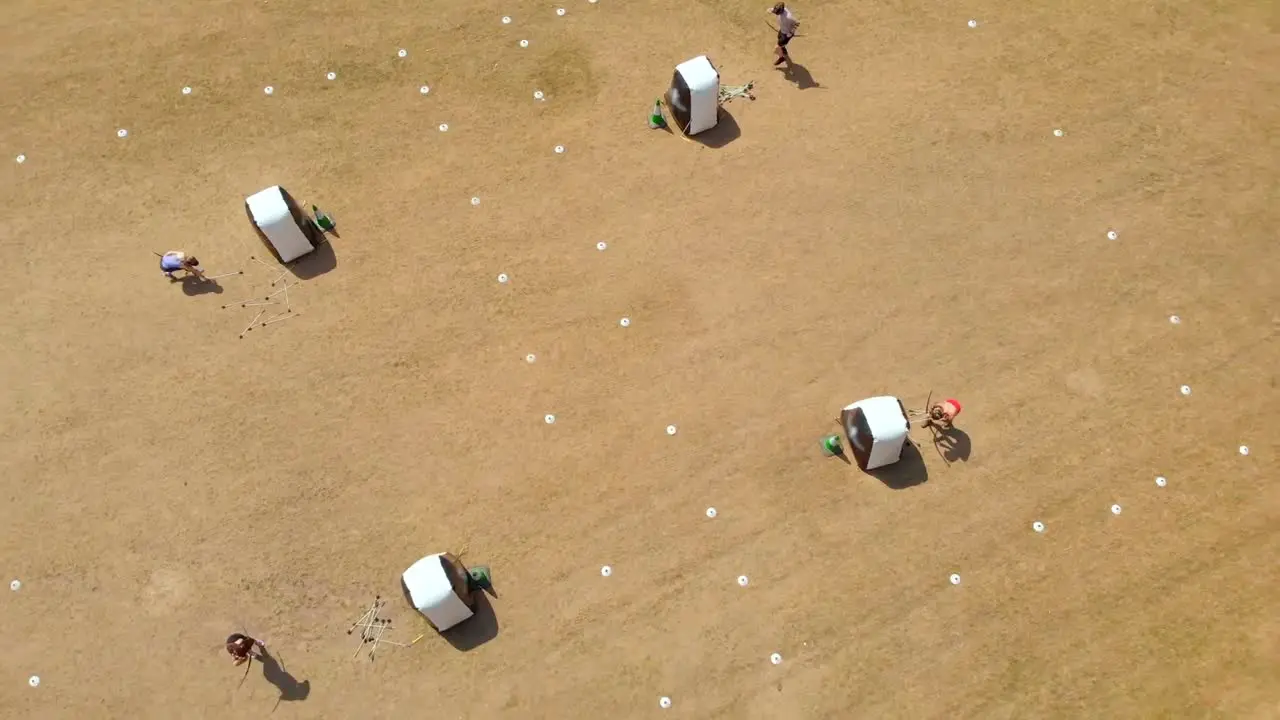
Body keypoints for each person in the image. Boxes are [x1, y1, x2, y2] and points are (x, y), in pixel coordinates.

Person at [768, 2, 800, 68]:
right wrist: (771, 10)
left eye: (777, 12)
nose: (776, 13)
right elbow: (774, 10)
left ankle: (781, 58)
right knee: (779, 39)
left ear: (781, 11)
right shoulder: (779, 10)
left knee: (776, 48)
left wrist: (791, 33)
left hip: (786, 34)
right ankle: (783, 49)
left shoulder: (789, 17)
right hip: (782, 30)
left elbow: (797, 23)